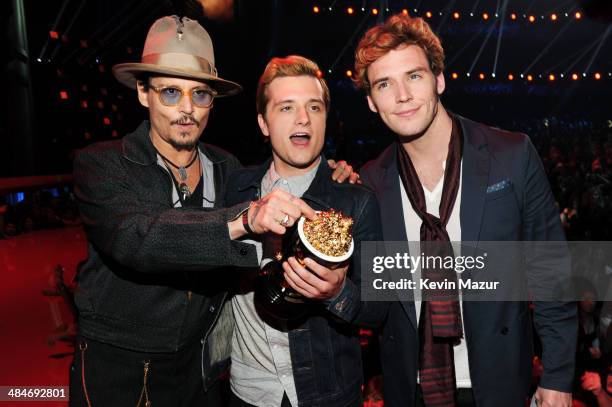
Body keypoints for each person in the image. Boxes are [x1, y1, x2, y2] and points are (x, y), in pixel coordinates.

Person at [70, 16, 354, 407]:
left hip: (203, 375)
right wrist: (241, 220)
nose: (187, 109)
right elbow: (136, 238)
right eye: (170, 92)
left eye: (200, 95)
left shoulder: (228, 169)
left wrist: (333, 171)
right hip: (120, 375)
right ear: (143, 92)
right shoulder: (102, 164)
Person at [354, 13, 577, 407]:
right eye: (385, 84)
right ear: (371, 102)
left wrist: (558, 376)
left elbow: (551, 269)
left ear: (439, 80)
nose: (402, 95)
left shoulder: (511, 154)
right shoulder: (370, 181)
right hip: (412, 388)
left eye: (414, 76)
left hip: (499, 380)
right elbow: (374, 299)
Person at [224, 55, 386, 407]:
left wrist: (338, 292)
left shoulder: (356, 202)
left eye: (314, 107)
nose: (303, 118)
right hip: (246, 392)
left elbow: (380, 309)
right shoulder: (235, 189)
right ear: (263, 123)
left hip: (326, 395)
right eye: (286, 108)